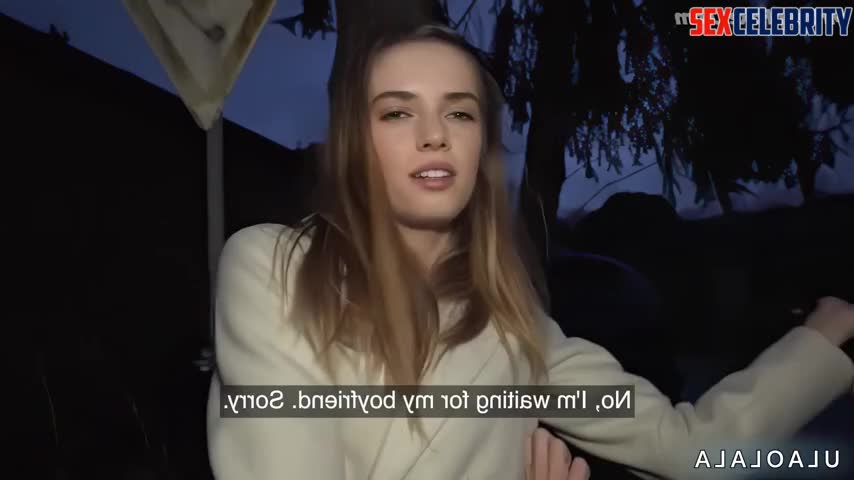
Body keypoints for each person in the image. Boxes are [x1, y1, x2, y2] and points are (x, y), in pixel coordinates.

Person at [206, 23, 854, 479]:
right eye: (397, 112)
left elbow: (690, 450)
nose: (434, 135)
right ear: (354, 144)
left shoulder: (519, 332)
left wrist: (823, 336)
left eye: (460, 113)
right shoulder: (276, 269)